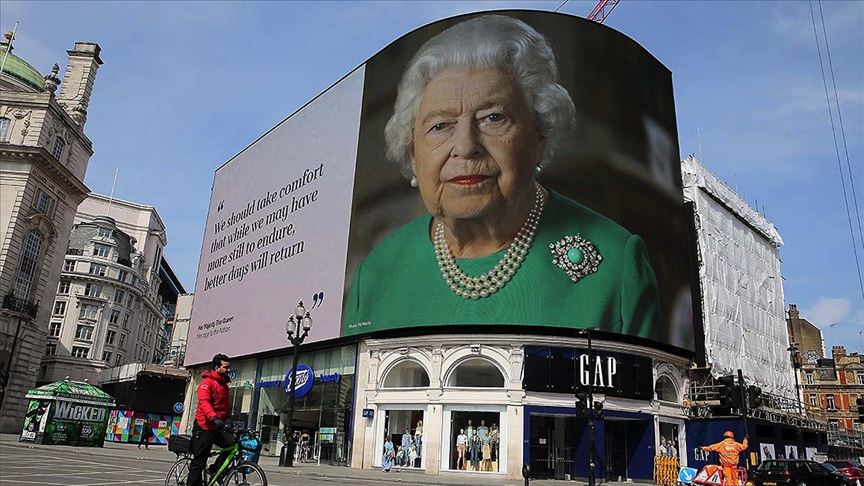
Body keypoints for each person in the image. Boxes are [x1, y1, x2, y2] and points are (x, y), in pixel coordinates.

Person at [343, 15, 661, 341]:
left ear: (539, 135)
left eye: (493, 118)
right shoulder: (376, 273)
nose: (466, 147)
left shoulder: (616, 262)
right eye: (440, 125)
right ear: (413, 153)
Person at [187, 354, 233, 486]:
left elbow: (224, 407)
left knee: (231, 446)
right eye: (226, 367)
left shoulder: (224, 385)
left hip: (218, 426)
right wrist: (214, 417)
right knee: (199, 461)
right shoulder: (207, 383)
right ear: (217, 367)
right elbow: (204, 403)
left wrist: (228, 421)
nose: (228, 370)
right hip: (204, 425)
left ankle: (214, 470)